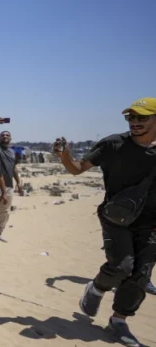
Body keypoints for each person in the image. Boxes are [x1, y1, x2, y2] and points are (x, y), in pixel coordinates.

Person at [56, 97, 156, 347]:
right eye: (131, 117)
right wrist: (65, 155)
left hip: (151, 224)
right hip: (117, 218)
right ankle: (97, 287)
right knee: (122, 267)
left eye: (142, 117)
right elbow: (77, 168)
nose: (135, 122)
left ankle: (118, 321)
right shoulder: (114, 144)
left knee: (140, 276)